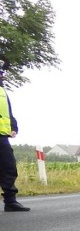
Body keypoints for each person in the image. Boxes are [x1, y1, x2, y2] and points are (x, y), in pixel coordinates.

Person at [0, 60, 30, 212]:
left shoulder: (2, 92)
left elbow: (7, 112)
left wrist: (13, 126)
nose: (2, 75)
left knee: (8, 167)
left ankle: (10, 201)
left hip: (1, 137)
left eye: (2, 73)